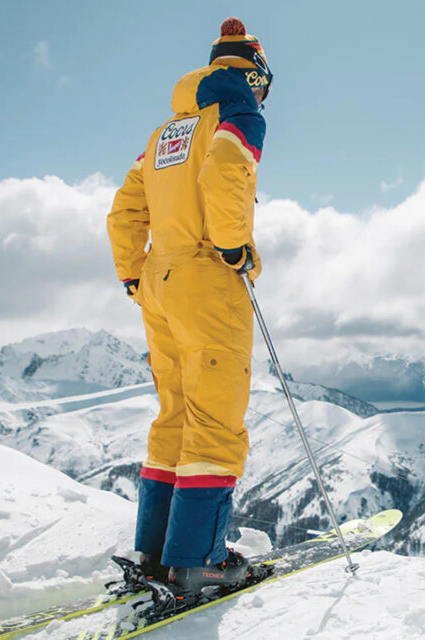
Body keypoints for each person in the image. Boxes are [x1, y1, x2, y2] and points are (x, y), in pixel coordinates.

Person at [106, 17, 271, 596]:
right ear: (255, 75)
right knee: (215, 419)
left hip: (159, 278)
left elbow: (125, 211)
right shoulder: (238, 113)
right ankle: (199, 561)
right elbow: (225, 171)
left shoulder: (164, 135)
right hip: (206, 275)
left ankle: (154, 554)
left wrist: (133, 273)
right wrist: (233, 245)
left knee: (174, 415)